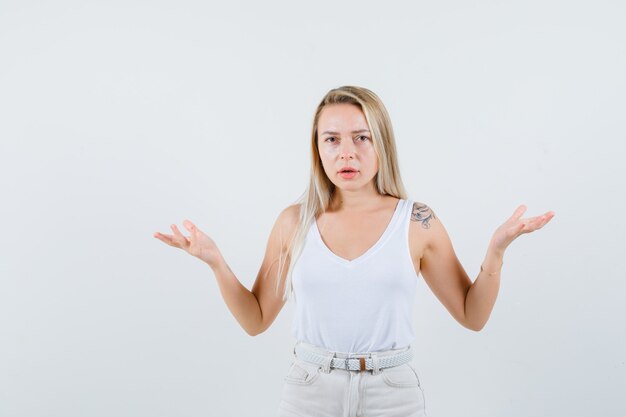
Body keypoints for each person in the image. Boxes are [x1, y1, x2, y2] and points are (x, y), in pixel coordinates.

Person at [153, 85, 555, 417]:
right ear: (318, 149)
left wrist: (497, 252)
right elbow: (256, 320)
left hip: (392, 394)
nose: (347, 153)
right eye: (332, 139)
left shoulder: (417, 221)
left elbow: (473, 315)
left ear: (381, 143)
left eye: (361, 138)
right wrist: (216, 262)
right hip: (309, 392)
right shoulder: (293, 223)